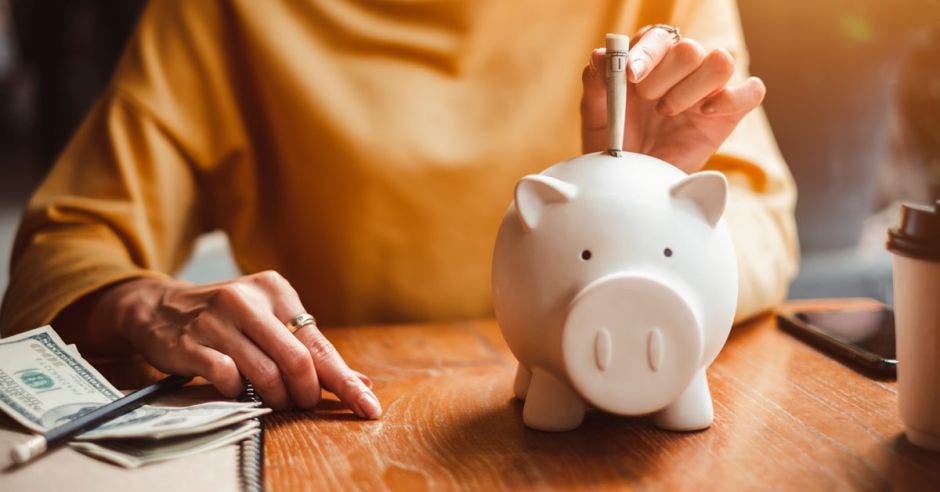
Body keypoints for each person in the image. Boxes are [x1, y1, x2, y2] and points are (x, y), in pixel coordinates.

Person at [0, 0, 798, 418]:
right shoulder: (224, 11)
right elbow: (63, 246)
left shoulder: (656, 12)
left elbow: (762, 217)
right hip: (351, 424)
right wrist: (151, 303)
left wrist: (651, 211)